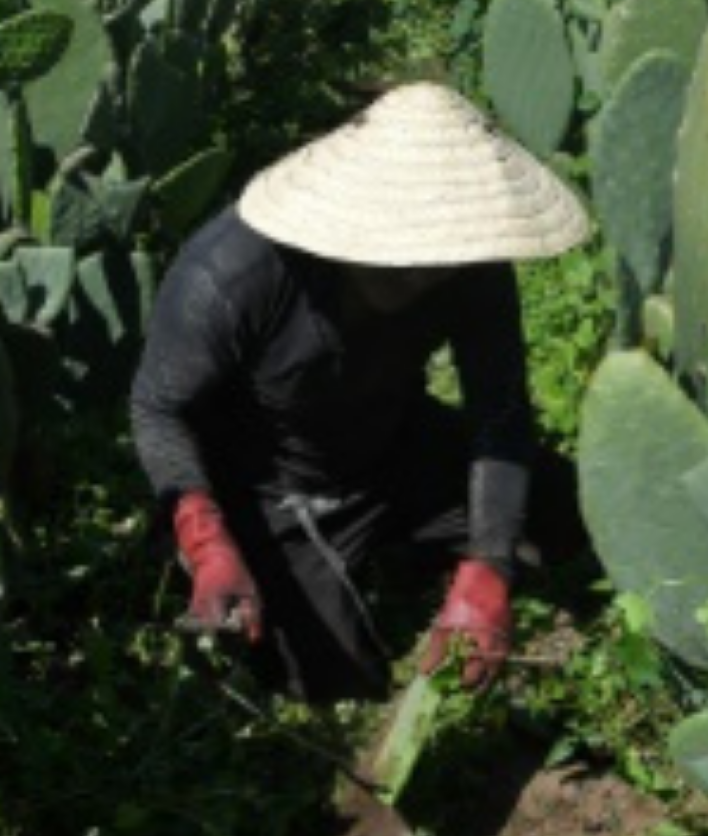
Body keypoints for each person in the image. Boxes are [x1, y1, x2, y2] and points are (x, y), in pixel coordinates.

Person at [130, 82, 592, 706]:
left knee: (573, 512)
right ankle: (365, 562)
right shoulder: (233, 272)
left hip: (391, 440)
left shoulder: (469, 263)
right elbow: (159, 409)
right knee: (328, 676)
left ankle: (421, 554)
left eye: (437, 257)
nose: (423, 273)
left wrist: (490, 564)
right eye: (399, 255)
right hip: (270, 483)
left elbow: (499, 410)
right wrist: (206, 540)